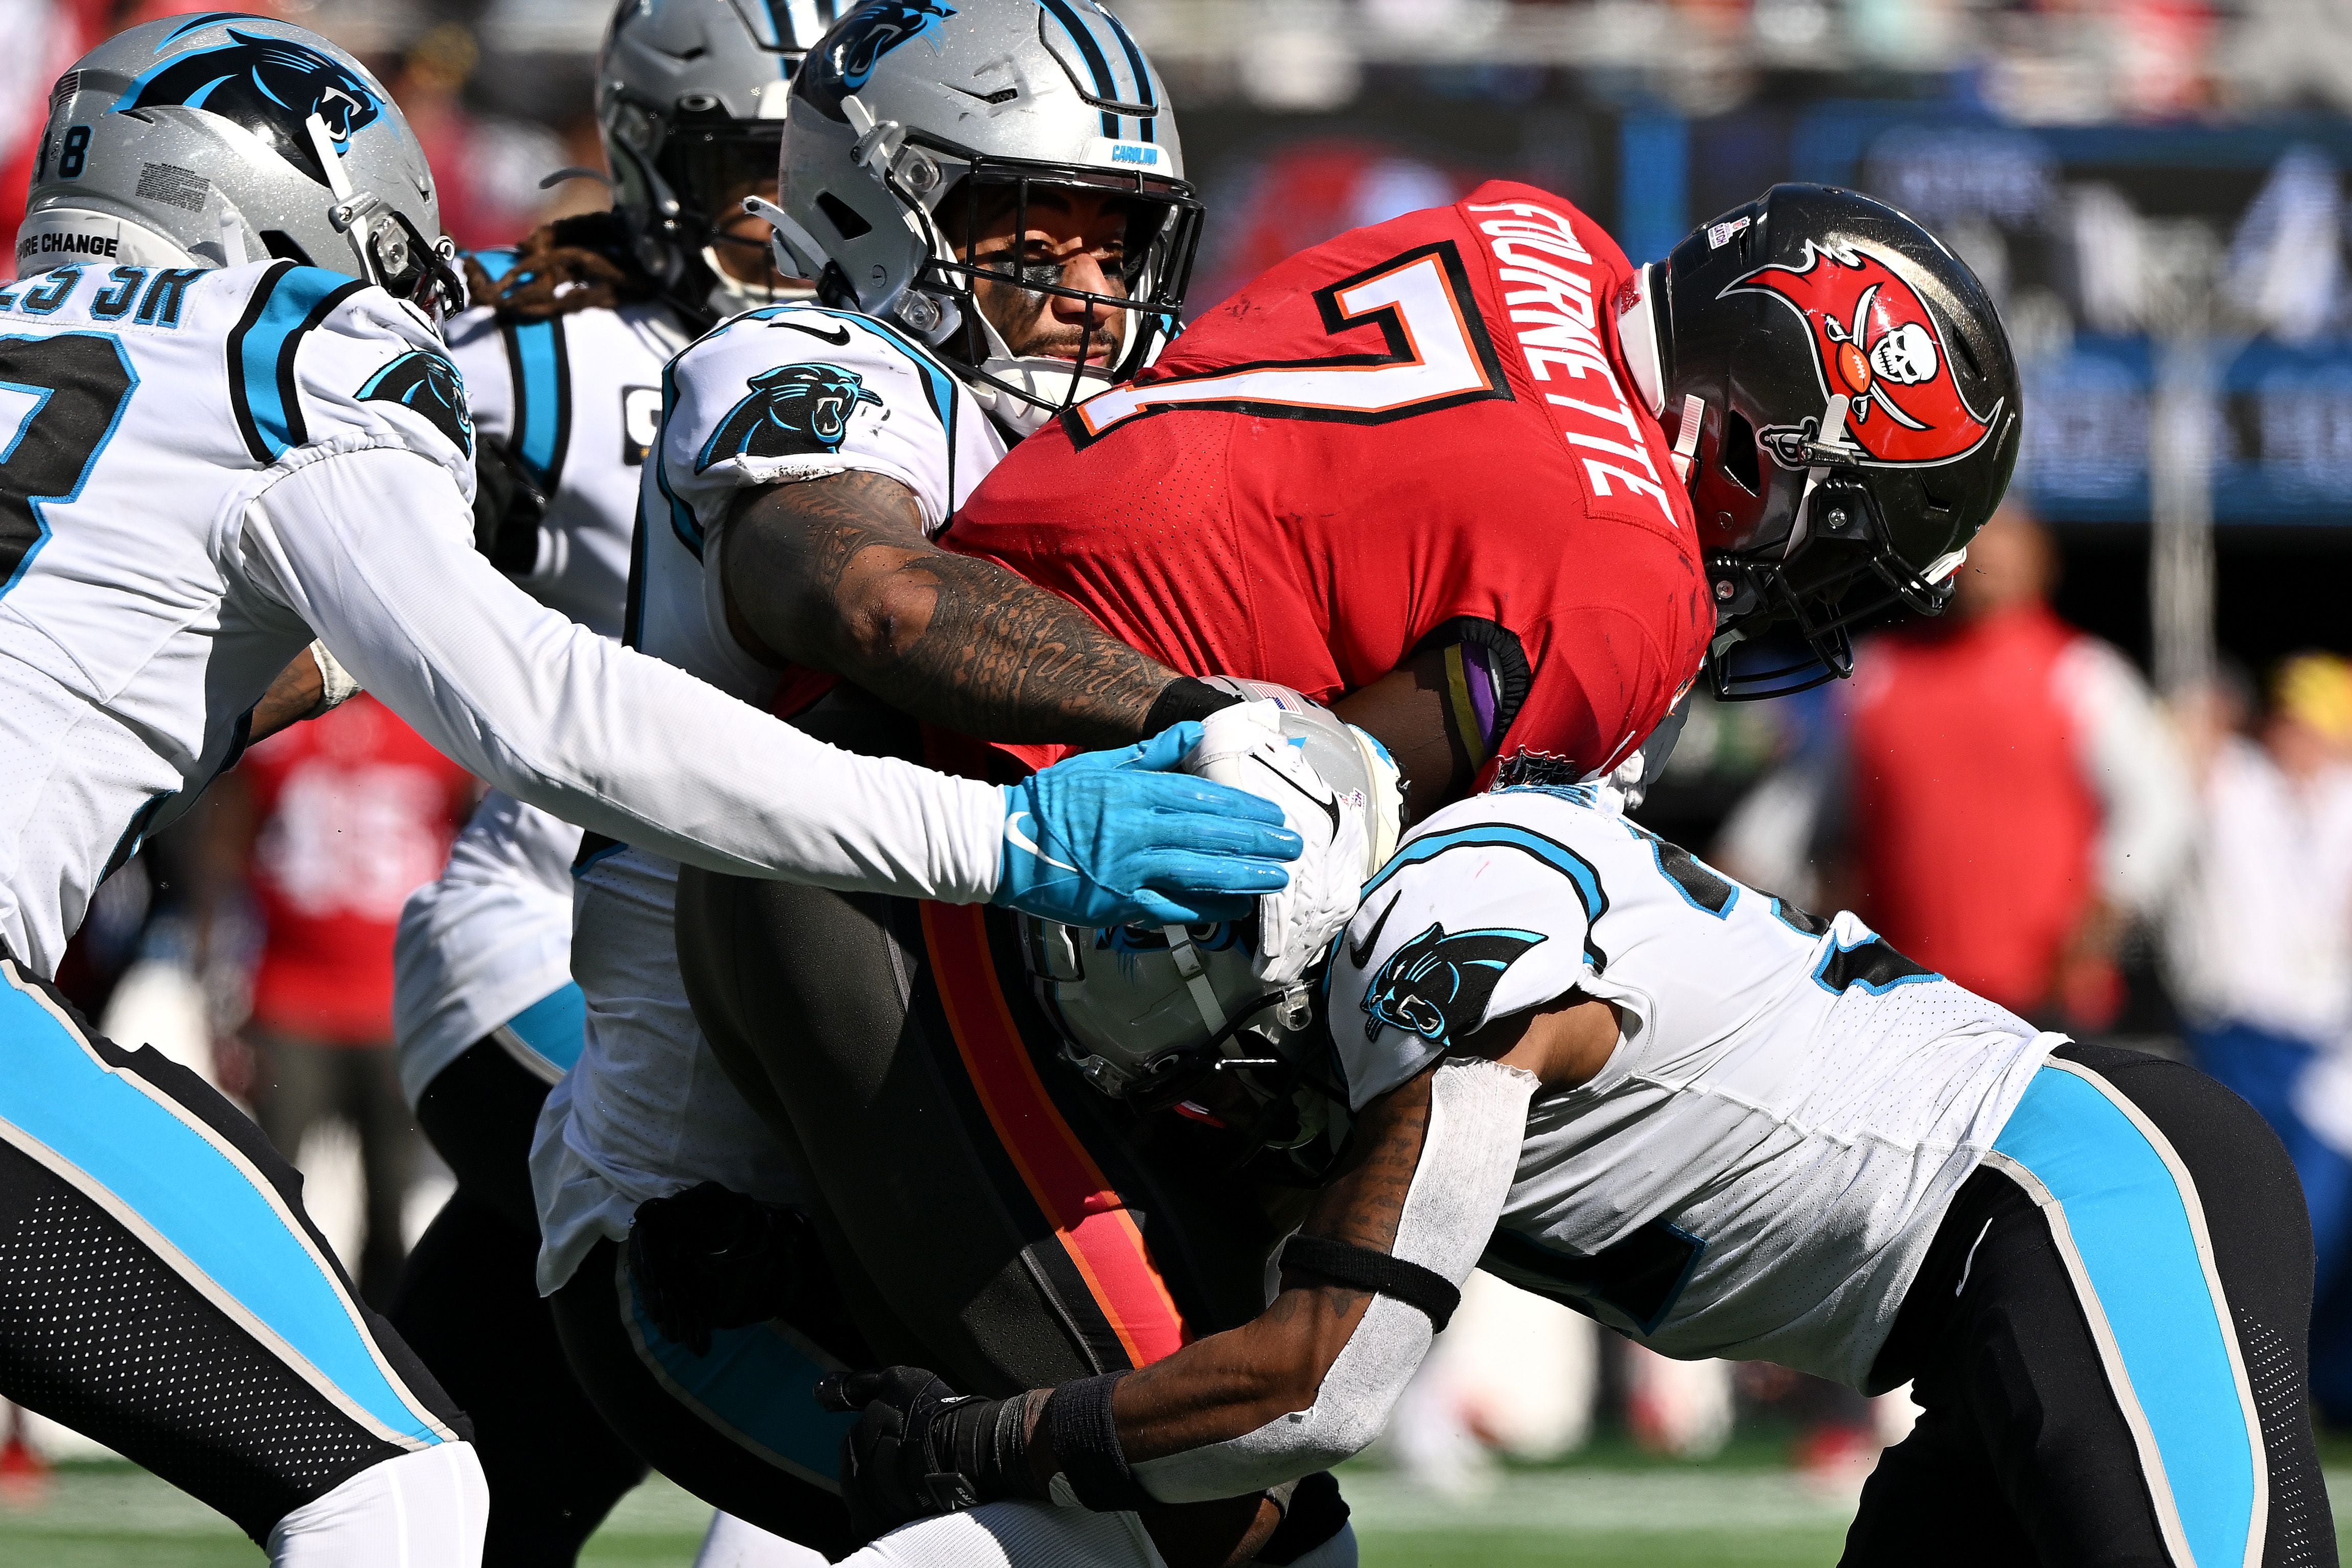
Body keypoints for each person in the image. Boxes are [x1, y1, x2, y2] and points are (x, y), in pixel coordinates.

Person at [0, 15, 1299, 1565]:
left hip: (690, 970)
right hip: (591, 933)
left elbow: (181, 643)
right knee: (409, 1479)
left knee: (560, 1414)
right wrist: (1006, 837)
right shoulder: (331, 349)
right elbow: (557, 703)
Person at [669, 180, 2020, 1566]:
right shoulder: (1627, 583)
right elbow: (1308, 849)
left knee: (949, 1442)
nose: (1805, 587)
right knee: (1225, 1516)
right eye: (1829, 533)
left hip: (843, 797)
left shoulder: (1535, 232)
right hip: (965, 888)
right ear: (1741, 443)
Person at [528, 5, 1372, 1560]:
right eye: (1037, 233)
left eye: (1117, 247)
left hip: (966, 1142)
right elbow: (866, 597)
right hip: (729, 1229)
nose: (1088, 292)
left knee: (1207, 1506)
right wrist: (1198, 708)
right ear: (876, 199)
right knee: (1187, 1521)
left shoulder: (1100, 430)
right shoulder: (808, 357)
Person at [826, 777, 2336, 1568]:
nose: (1202, 1098)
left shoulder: (1429, 961)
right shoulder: (1431, 909)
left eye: (1193, 1046)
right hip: (1986, 1285)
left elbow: (1324, 1380)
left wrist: (997, 1436)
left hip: (2086, 1202)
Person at [386, 2, 821, 1562]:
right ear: (655, 160)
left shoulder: (923, 366)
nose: (795, 203)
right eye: (754, 160)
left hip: (789, 970)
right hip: (557, 929)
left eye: (831, 158)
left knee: (457, 1478)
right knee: (823, 1309)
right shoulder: (545, 363)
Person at [1838, 504, 2193, 1029]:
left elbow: (2162, 804)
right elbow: (1810, 809)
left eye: (2007, 554)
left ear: (2043, 567)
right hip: (1908, 990)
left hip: (2045, 995)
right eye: (1976, 553)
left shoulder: (2082, 674)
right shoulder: (1880, 672)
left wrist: (2104, 912)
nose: (1988, 567)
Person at [201, 693, 474, 1307]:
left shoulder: (437, 722)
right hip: (288, 1003)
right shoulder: (281, 712)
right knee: (268, 1203)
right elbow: (226, 851)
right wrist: (222, 989)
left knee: (395, 1209)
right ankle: (261, 1347)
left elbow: (476, 863)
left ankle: (383, 1376)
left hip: (394, 1011)